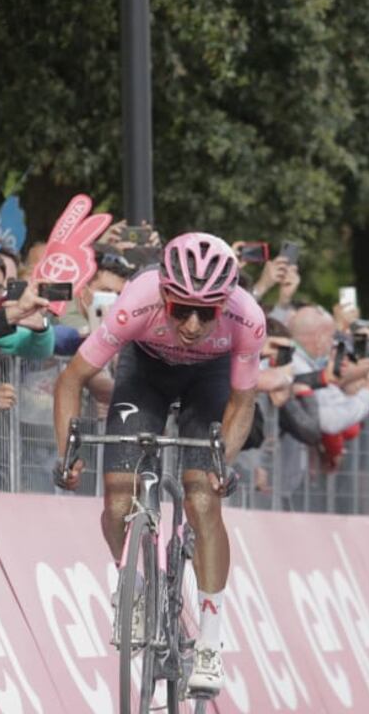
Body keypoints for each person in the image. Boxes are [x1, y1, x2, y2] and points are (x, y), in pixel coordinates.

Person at [53, 232, 263, 694]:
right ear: (163, 293)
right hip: (145, 373)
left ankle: (208, 641)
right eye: (180, 308)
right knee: (116, 501)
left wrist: (220, 463)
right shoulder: (137, 302)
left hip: (209, 380)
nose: (191, 323)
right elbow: (72, 380)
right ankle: (131, 585)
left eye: (206, 312)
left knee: (203, 499)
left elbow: (243, 403)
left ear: (224, 304)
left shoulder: (247, 316)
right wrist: (67, 451)